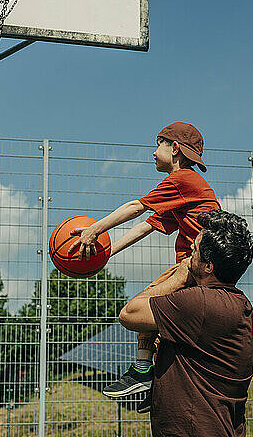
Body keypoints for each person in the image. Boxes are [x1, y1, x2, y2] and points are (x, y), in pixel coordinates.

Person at [67, 122, 220, 397]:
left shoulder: (183, 179)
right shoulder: (181, 191)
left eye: (158, 144)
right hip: (194, 265)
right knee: (156, 308)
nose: (153, 152)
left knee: (141, 307)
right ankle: (151, 376)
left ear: (174, 149)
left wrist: (95, 229)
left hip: (197, 264)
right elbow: (147, 226)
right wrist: (105, 254)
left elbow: (135, 207)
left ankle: (142, 370)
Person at [118, 210, 253, 436]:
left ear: (208, 266)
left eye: (196, 249)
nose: (190, 250)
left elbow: (130, 313)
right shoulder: (238, 303)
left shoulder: (200, 303)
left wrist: (179, 277)